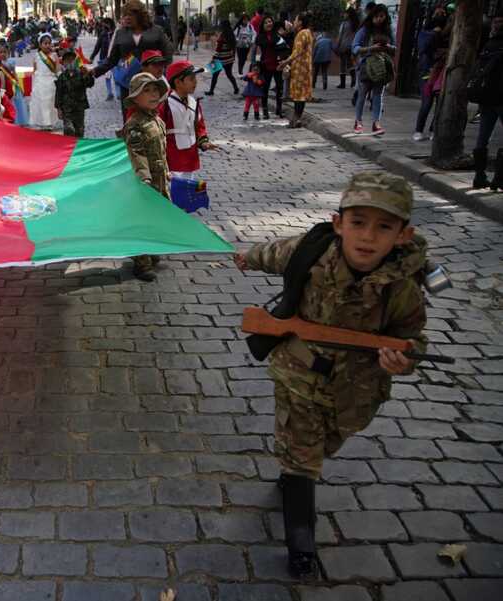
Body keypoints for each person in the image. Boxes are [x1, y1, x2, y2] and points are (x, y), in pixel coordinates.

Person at [234, 171, 427, 579]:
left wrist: (403, 361)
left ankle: (295, 472)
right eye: (358, 222)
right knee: (302, 460)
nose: (368, 237)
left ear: (403, 235)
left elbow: (412, 338)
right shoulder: (313, 252)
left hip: (354, 392)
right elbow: (275, 253)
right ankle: (300, 543)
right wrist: (247, 257)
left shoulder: (403, 288)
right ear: (339, 224)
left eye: (383, 227)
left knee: (325, 446)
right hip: (298, 375)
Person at [121, 72, 170, 282]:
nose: (153, 94)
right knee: (142, 219)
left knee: (157, 216)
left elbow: (162, 150)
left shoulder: (157, 120)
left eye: (155, 90)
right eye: (146, 90)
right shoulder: (134, 124)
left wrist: (167, 171)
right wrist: (144, 176)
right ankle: (141, 262)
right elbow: (136, 152)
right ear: (135, 97)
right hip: (145, 180)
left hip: (160, 178)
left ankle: (151, 249)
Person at [92, 0, 173, 120]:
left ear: (140, 15)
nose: (127, 18)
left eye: (131, 14)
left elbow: (168, 54)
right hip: (128, 84)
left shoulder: (156, 31)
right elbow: (111, 60)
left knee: (153, 117)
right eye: (125, 15)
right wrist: (94, 71)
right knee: (129, 119)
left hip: (151, 83)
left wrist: (157, 68)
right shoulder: (120, 33)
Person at [160, 60, 217, 178]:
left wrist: (203, 142)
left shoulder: (194, 103)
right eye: (191, 79)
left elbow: (199, 126)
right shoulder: (165, 104)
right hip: (172, 159)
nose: (195, 82)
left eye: (195, 79)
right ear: (178, 82)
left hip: (190, 158)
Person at [352, 3, 396, 135]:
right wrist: (371, 48)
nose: (379, 19)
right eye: (377, 16)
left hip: (382, 66)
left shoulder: (388, 30)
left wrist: (388, 47)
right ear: (372, 16)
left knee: (378, 96)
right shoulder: (365, 30)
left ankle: (376, 123)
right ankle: (358, 122)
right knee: (362, 95)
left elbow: (395, 48)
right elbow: (355, 47)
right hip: (366, 66)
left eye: (382, 16)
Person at [472, 14, 503, 190]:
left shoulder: (489, 45)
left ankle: (479, 176)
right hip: (499, 99)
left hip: (486, 98)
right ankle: (499, 179)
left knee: (483, 138)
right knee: (483, 137)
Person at [412, 17, 448, 143]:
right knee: (427, 103)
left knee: (440, 104)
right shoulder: (425, 33)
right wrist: (435, 34)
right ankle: (418, 130)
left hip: (442, 73)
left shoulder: (449, 35)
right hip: (426, 72)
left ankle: (433, 129)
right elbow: (423, 49)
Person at [278, 12, 314, 129]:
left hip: (299, 68)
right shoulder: (308, 32)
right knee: (301, 96)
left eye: (296, 20)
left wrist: (285, 62)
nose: (293, 22)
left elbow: (296, 52)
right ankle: (296, 119)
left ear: (300, 23)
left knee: (298, 96)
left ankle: (295, 119)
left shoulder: (301, 34)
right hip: (306, 68)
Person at [54, 46, 95, 137]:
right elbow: (58, 93)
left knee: (79, 130)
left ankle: (78, 148)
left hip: (79, 107)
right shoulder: (62, 77)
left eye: (72, 60)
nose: (70, 62)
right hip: (67, 108)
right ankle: (68, 147)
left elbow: (90, 84)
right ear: (63, 63)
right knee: (69, 129)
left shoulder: (81, 74)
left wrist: (88, 75)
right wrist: (59, 109)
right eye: (67, 60)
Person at [256, 16, 286, 119]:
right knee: (265, 88)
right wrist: (256, 65)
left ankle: (279, 109)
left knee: (279, 87)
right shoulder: (260, 37)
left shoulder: (277, 35)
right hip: (265, 65)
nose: (269, 24)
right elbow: (257, 52)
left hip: (277, 65)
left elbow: (283, 48)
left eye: (270, 22)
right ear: (263, 25)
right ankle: (265, 110)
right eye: (266, 22)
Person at [0, 46, 29, 125]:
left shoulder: (11, 61)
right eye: (0, 52)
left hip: (13, 85)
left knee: (17, 103)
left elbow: (14, 73)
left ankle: (18, 120)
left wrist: (18, 83)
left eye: (4, 52)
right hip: (4, 86)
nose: (3, 54)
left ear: (8, 53)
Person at [29, 33, 59, 130]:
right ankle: (42, 122)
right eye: (45, 43)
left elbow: (57, 69)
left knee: (50, 102)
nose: (47, 45)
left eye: (49, 43)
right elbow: (34, 70)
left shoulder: (54, 55)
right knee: (41, 102)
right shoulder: (37, 56)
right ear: (40, 45)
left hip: (51, 82)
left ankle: (49, 122)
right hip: (40, 82)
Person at [206, 20, 240, 95]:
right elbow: (233, 48)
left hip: (220, 59)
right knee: (229, 75)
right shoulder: (231, 35)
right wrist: (232, 57)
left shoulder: (222, 36)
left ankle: (211, 91)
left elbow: (218, 50)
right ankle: (236, 88)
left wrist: (213, 58)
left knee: (215, 75)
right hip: (229, 59)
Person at [89, 18, 115, 101]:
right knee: (107, 76)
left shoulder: (116, 34)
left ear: (109, 23)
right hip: (104, 58)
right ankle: (110, 93)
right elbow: (97, 47)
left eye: (105, 24)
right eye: (103, 24)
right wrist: (92, 57)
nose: (103, 25)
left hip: (115, 57)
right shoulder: (102, 34)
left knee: (117, 76)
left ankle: (119, 93)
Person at [335, 7, 360, 89]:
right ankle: (353, 82)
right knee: (350, 64)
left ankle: (342, 84)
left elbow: (340, 36)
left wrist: (337, 46)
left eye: (345, 13)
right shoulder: (356, 24)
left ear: (348, 14)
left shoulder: (344, 24)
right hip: (352, 46)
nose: (344, 15)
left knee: (342, 64)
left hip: (344, 46)